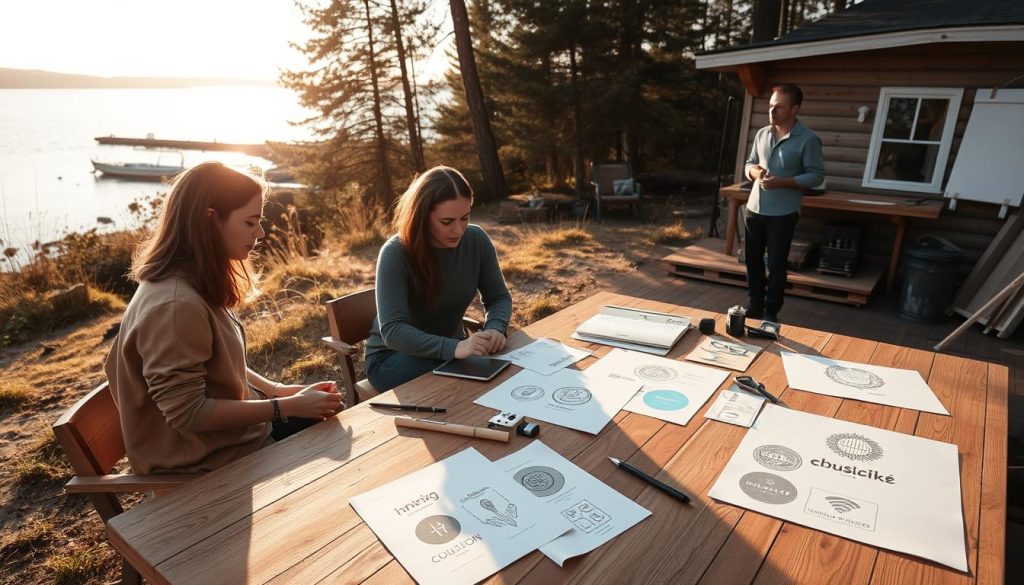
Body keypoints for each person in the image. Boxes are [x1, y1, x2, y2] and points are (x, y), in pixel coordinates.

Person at [104, 162, 343, 475]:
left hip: (232, 442)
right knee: (336, 455)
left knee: (333, 422)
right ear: (210, 220)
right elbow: (188, 414)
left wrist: (280, 390)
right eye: (249, 222)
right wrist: (285, 407)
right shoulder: (176, 306)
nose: (260, 233)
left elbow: (216, 365)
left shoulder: (191, 280)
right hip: (204, 465)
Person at [365, 166, 513, 391]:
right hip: (392, 358)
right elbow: (393, 331)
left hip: (454, 350)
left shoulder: (476, 240)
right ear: (422, 216)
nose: (459, 230)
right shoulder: (396, 252)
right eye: (447, 222)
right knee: (471, 383)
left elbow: (498, 297)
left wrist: (495, 328)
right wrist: (454, 348)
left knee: (502, 372)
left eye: (465, 218)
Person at [743, 83, 825, 323]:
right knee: (752, 260)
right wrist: (756, 174)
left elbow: (816, 175)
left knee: (777, 265)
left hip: (783, 213)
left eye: (778, 107)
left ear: (794, 109)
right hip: (754, 209)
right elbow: (749, 163)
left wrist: (784, 182)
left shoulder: (808, 139)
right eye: (770, 106)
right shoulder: (761, 134)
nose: (772, 111)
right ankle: (755, 305)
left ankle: (771, 312)